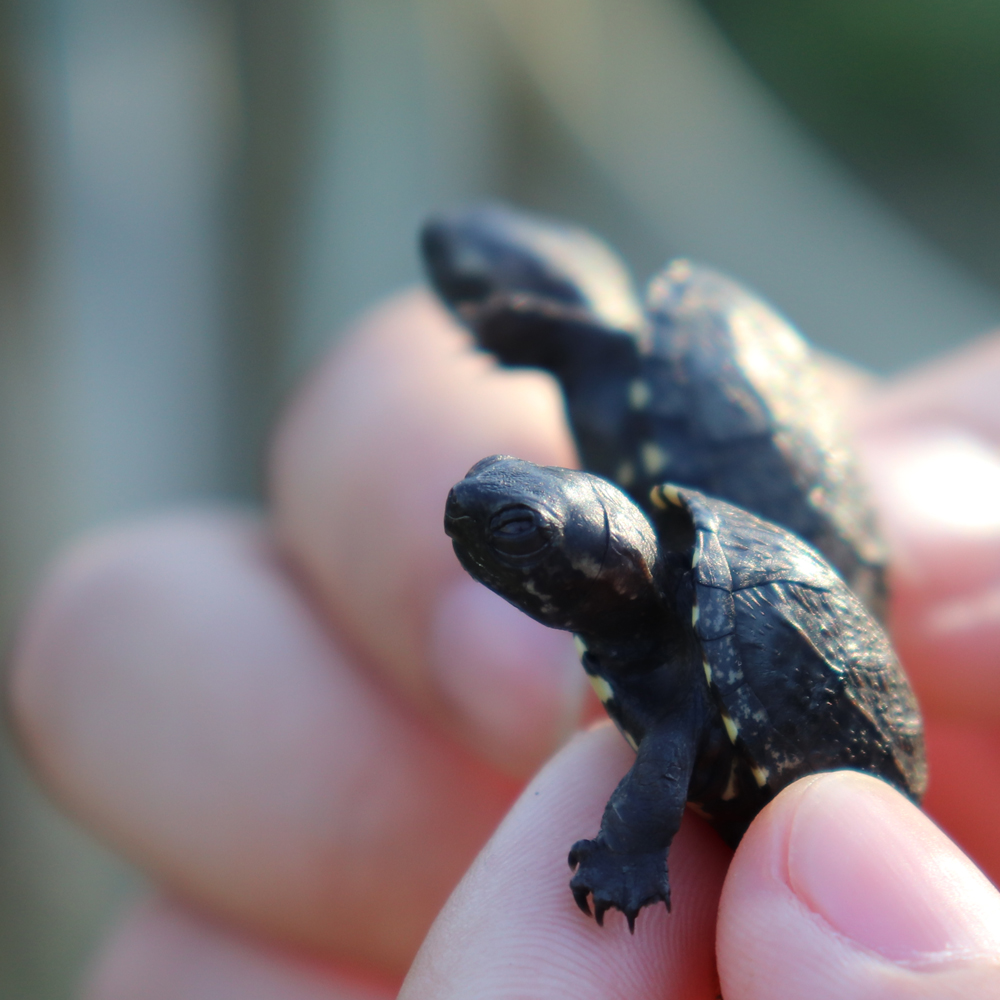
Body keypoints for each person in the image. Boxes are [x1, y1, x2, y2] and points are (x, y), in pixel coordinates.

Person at [10, 290, 1000, 999]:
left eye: (521, 532)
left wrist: (624, 855)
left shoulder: (671, 673)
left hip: (861, 783)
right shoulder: (659, 606)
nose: (475, 516)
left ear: (598, 575)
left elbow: (668, 754)